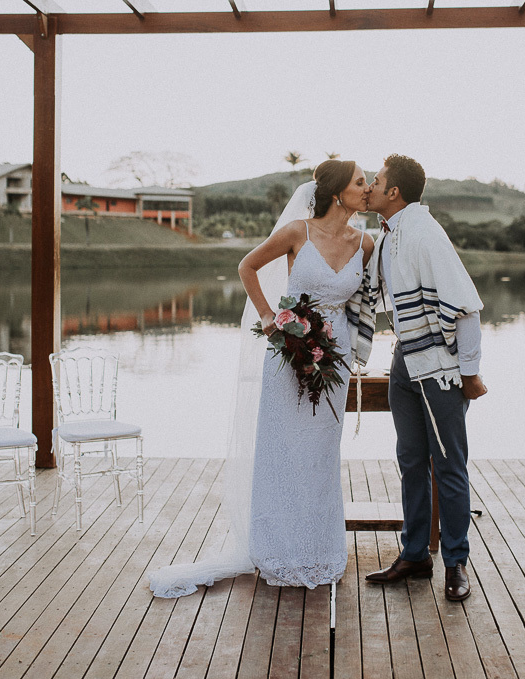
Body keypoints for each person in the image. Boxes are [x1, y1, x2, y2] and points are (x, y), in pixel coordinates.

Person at [148, 160, 374, 596]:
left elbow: (371, 295)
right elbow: (247, 266)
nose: (367, 190)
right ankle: (276, 550)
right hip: (289, 352)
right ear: (336, 193)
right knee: (282, 451)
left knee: (321, 453)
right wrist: (271, 317)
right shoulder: (297, 233)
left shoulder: (365, 243)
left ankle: (320, 548)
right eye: (360, 183)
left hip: (335, 358)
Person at [361, 154, 486, 602]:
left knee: (449, 466)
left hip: (438, 370)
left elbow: (465, 305)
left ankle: (455, 563)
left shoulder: (427, 234)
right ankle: (415, 555)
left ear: (394, 192)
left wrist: (469, 375)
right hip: (403, 363)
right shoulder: (388, 233)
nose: (369, 188)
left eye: (375, 181)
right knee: (411, 460)